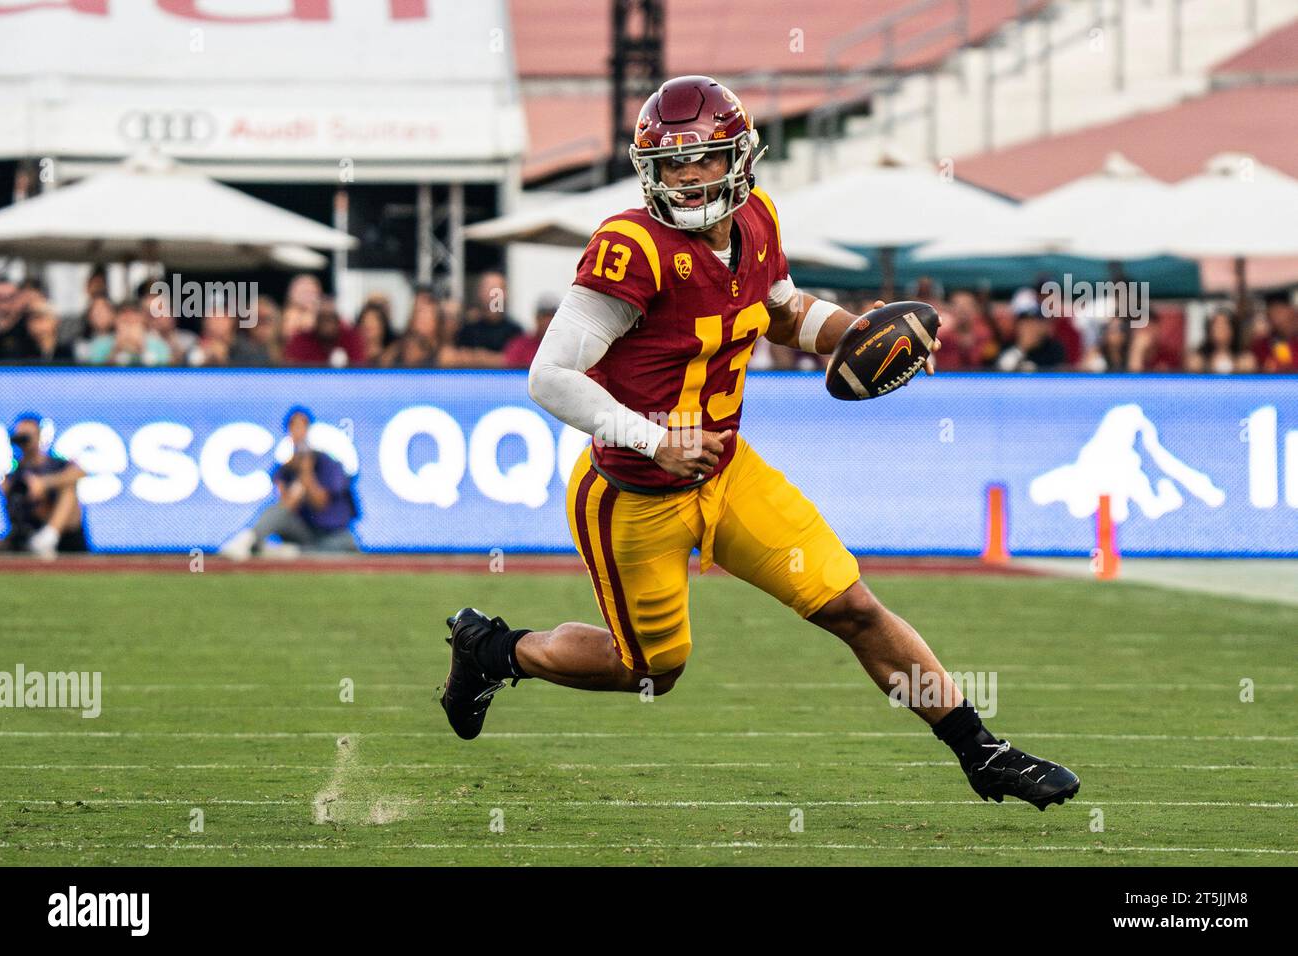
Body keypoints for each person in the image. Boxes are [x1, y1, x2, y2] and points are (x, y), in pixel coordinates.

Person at [438, 75, 1079, 812]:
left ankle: (981, 751)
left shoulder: (759, 221)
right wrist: (653, 441)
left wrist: (857, 333)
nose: (684, 176)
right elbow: (549, 377)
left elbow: (778, 308)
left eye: (702, 158)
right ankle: (492, 651)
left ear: (740, 158)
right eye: (670, 163)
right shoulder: (632, 247)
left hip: (728, 472)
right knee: (648, 669)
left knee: (853, 607)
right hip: (632, 495)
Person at [219, 407, 358, 559]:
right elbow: (284, 508)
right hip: (303, 533)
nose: (299, 432)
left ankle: (289, 553)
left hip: (332, 534)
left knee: (344, 546)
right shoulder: (284, 470)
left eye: (303, 427)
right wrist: (297, 482)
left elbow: (320, 503)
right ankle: (248, 540)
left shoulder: (328, 464)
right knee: (276, 511)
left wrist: (307, 473)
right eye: (294, 427)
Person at [0, 413, 87, 559]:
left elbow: (79, 473)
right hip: (29, 528)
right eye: (21, 436)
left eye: (28, 435)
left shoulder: (56, 463)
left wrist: (43, 484)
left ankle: (49, 537)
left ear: (39, 435)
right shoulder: (14, 471)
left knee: (69, 490)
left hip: (65, 535)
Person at [85, 300, 172, 366]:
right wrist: (115, 350)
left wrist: (142, 349)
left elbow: (164, 377)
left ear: (143, 321)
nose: (129, 329)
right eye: (125, 322)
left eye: (133, 322)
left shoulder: (159, 345)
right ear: (116, 321)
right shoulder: (100, 345)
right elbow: (95, 378)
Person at [455, 270, 523, 354]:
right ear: (479, 292)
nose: (491, 294)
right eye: (487, 288)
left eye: (496, 289)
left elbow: (513, 359)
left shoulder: (515, 332)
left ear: (505, 294)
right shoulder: (467, 330)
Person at [283, 298, 364, 367]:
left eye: (330, 318)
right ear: (316, 320)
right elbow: (292, 371)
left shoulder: (351, 338)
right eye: (323, 318)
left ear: (338, 320)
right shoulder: (300, 341)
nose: (327, 324)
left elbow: (360, 370)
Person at [1186, 306, 1256, 374]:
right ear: (1209, 329)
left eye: (1224, 325)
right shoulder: (1198, 359)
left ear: (1233, 329)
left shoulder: (1245, 359)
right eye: (1216, 325)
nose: (1220, 329)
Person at [502, 295, 558, 369]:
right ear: (536, 318)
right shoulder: (520, 346)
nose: (548, 321)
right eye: (544, 316)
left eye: (552, 316)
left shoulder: (565, 347)